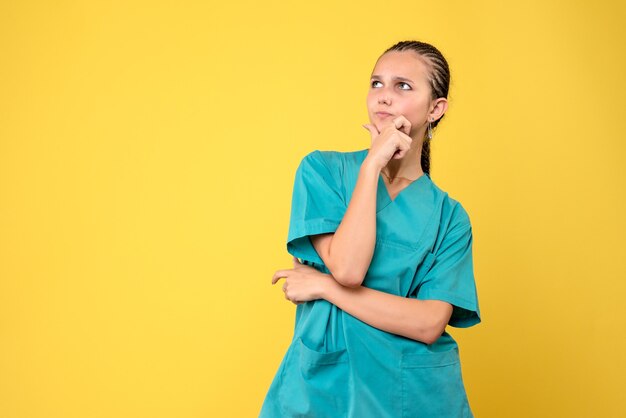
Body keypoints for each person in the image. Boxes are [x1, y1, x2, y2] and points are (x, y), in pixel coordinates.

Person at [259, 40, 481, 418]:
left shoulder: (450, 217)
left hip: (413, 395)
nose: (384, 97)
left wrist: (325, 287)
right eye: (376, 83)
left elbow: (429, 323)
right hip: (325, 387)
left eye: (403, 86)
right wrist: (371, 166)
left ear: (436, 108)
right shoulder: (323, 172)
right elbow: (349, 267)